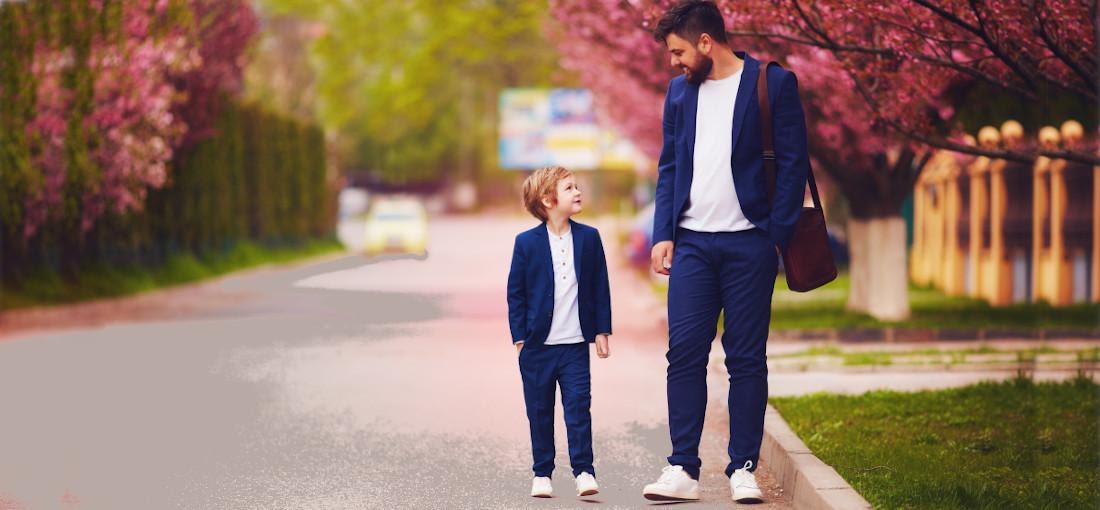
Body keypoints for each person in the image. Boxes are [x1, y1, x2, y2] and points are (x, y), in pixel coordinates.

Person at [642, 0, 810, 503]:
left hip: (749, 245)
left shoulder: (772, 84)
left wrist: (774, 234)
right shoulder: (678, 93)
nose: (673, 62)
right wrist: (663, 232)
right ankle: (682, 469)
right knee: (685, 356)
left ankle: (743, 468)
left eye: (677, 52)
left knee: (745, 358)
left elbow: (795, 161)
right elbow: (670, 165)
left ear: (706, 43)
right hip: (692, 244)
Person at [506, 166, 612, 498]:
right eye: (570, 188)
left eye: (577, 186)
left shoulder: (590, 238)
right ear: (548, 200)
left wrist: (602, 331)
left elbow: (599, 287)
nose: (578, 192)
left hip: (575, 346)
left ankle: (584, 471)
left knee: (578, 407)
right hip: (537, 347)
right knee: (539, 410)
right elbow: (516, 293)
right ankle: (542, 472)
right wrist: (520, 338)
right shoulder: (526, 243)